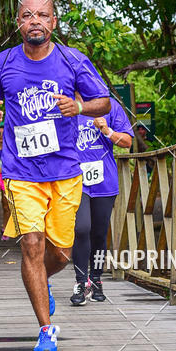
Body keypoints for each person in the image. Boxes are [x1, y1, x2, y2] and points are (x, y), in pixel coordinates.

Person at [0, 0, 110, 351]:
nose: (34, 20)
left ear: (53, 22)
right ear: (18, 23)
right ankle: (46, 329)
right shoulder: (3, 62)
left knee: (62, 254)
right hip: (21, 171)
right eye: (27, 15)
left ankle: (41, 280)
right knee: (32, 245)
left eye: (42, 15)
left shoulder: (73, 60)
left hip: (65, 171)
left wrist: (79, 106)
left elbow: (104, 102)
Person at [71, 97, 133, 305]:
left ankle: (96, 279)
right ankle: (81, 282)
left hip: (104, 181)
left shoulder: (109, 105)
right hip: (75, 180)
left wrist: (107, 131)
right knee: (81, 228)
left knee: (99, 233)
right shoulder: (66, 105)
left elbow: (127, 143)